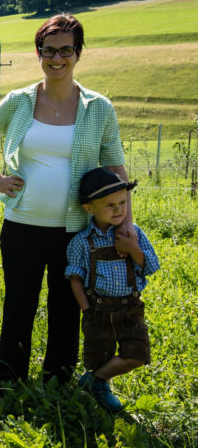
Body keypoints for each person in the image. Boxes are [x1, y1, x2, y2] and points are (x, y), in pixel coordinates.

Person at [0, 13, 133, 386]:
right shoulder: (19, 101)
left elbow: (116, 169)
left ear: (78, 53)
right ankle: (8, 384)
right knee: (18, 308)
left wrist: (126, 225)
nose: (56, 59)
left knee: (66, 310)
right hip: (22, 227)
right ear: (38, 53)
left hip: (75, 231)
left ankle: (57, 384)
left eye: (65, 50)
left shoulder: (99, 108)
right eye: (48, 50)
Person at [66, 167, 159, 412]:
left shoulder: (133, 234)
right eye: (110, 205)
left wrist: (133, 249)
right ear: (89, 208)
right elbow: (75, 278)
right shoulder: (82, 242)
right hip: (98, 308)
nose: (119, 210)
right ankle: (100, 387)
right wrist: (87, 309)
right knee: (99, 355)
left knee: (138, 354)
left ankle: (94, 381)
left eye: (123, 202)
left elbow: (151, 266)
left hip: (130, 307)